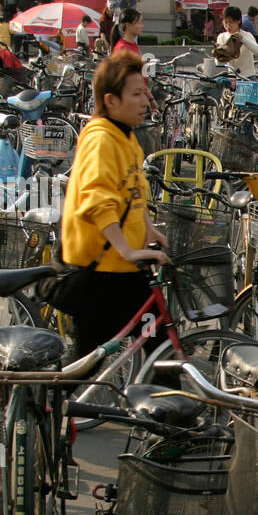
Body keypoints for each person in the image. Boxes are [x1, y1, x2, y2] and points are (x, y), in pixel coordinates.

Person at [59, 51, 169, 359]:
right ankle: (61, 406)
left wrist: (149, 229)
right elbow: (97, 201)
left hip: (124, 269)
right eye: (136, 94)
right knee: (87, 362)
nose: (146, 100)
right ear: (111, 101)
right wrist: (127, 249)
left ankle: (165, 400)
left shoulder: (126, 137)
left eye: (145, 92)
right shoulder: (101, 139)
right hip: (102, 273)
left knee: (159, 344)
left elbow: (134, 192)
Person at [215, 6, 258, 74]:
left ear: (238, 21)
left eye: (231, 22)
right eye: (225, 22)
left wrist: (242, 39)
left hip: (247, 77)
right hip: (231, 75)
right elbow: (218, 61)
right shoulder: (222, 37)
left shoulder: (247, 35)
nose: (228, 26)